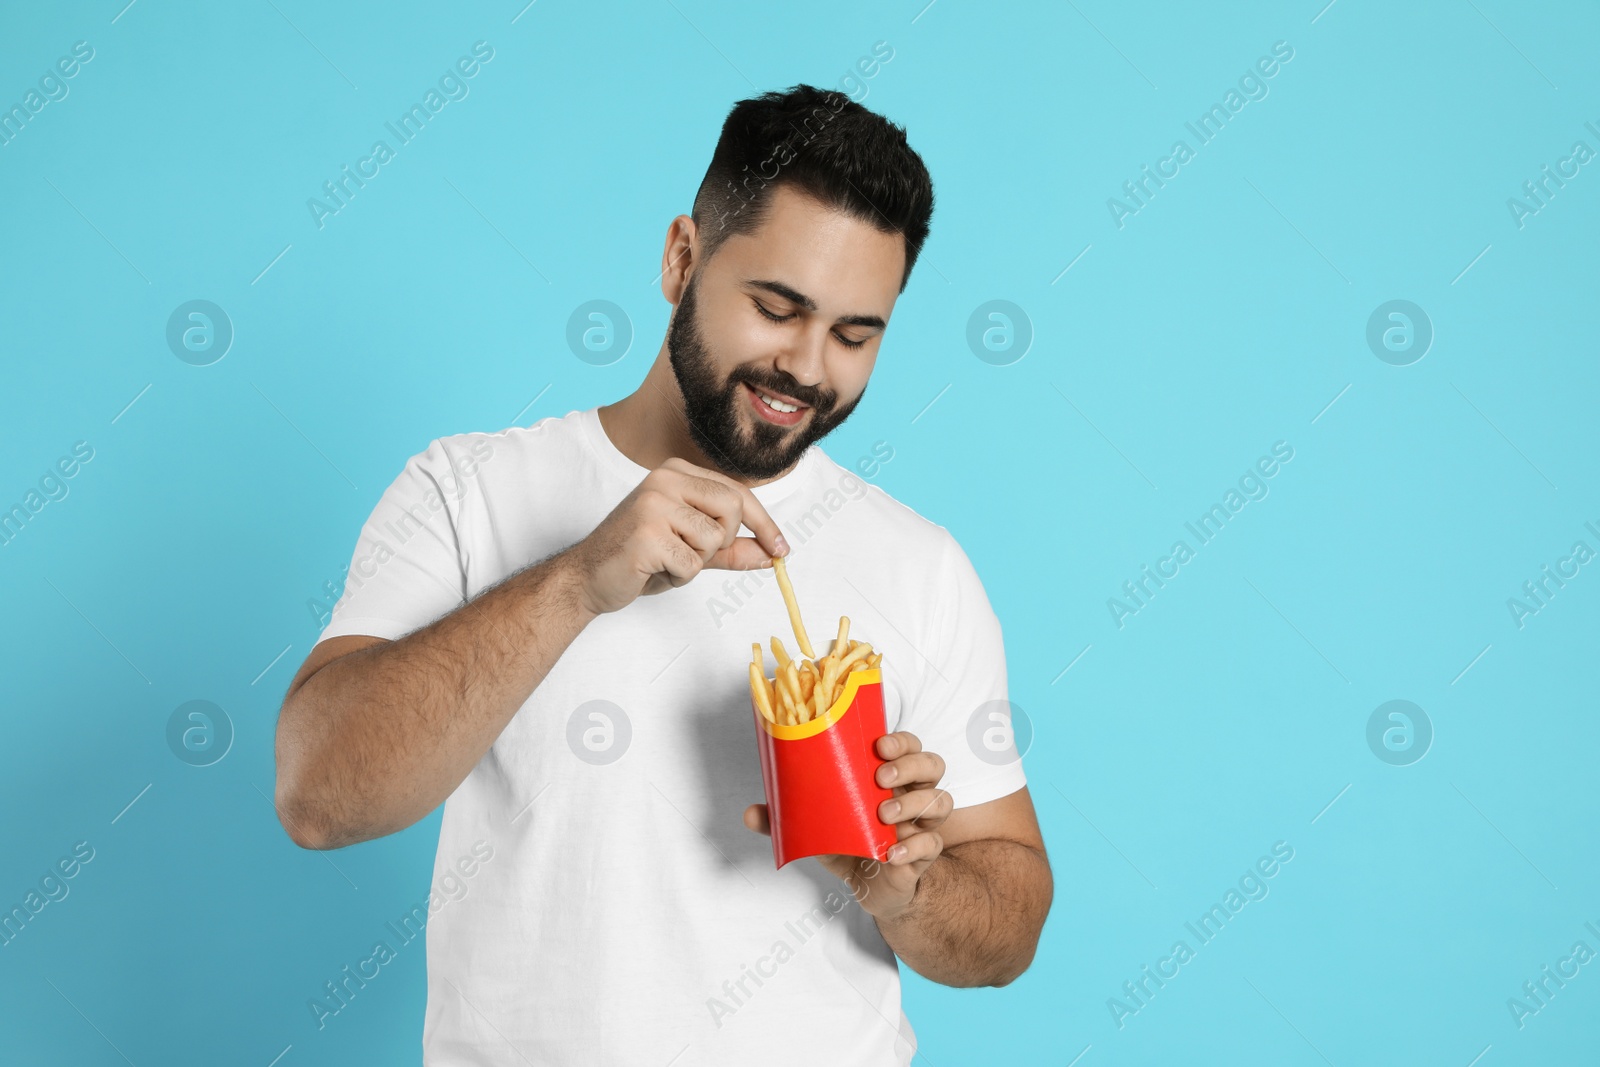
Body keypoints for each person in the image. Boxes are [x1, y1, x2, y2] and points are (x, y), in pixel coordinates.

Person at [274, 83, 1052, 1066]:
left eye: (855, 335)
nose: (809, 368)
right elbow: (318, 793)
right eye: (777, 307)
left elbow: (1009, 922)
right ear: (681, 257)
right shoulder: (467, 490)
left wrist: (915, 888)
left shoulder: (920, 565)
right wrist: (576, 581)